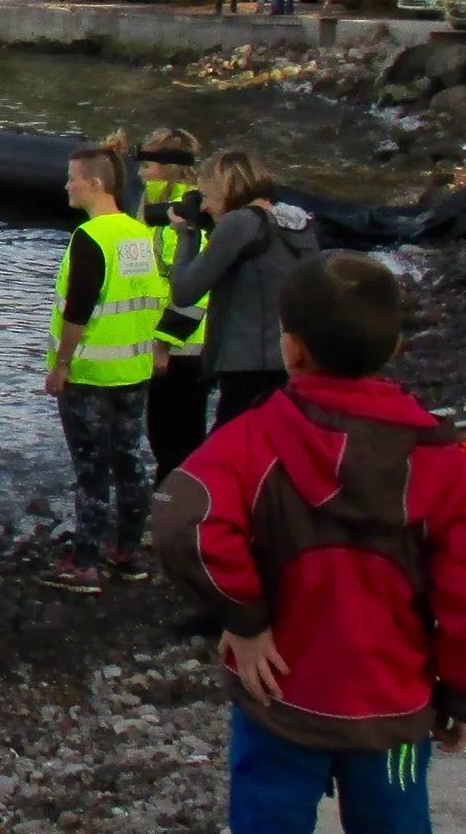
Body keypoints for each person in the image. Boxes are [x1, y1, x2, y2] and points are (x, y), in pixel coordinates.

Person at [155, 252, 466, 834]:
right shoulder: (441, 460)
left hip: (281, 702)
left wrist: (243, 617)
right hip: (392, 711)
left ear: (291, 346)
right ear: (395, 347)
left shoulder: (257, 436)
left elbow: (183, 518)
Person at [44, 144, 168, 592]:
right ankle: (127, 550)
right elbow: (156, 298)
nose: (66, 185)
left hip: (92, 373)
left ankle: (87, 560)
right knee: (130, 460)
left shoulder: (90, 237)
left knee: (91, 469)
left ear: (94, 184)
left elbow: (78, 308)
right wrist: (157, 350)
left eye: (72, 177)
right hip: (132, 368)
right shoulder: (140, 233)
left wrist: (61, 364)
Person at [169, 150, 320, 429]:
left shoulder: (241, 222)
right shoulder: (297, 223)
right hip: (293, 361)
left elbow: (184, 291)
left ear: (225, 187)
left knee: (227, 457)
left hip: (248, 364)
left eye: (207, 196)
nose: (204, 206)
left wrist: (186, 233)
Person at [137, 131, 212, 478]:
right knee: (166, 436)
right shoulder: (164, 212)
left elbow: (197, 289)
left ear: (168, 168)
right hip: (174, 347)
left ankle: (178, 509)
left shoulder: (187, 215)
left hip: (183, 350)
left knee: (175, 439)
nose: (140, 172)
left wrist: (163, 344)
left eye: (147, 164)